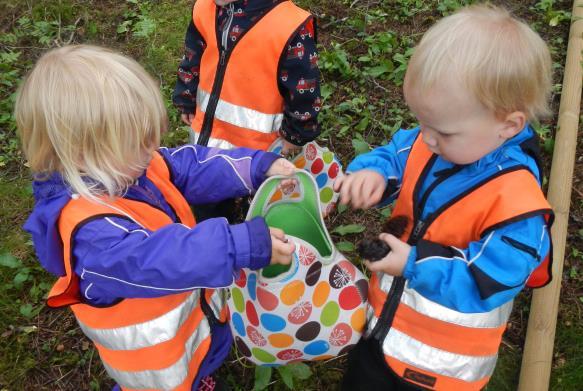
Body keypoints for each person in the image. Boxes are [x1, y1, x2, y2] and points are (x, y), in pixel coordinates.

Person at [15, 44, 297, 391]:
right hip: (157, 374)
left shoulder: (129, 170)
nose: (152, 149)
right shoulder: (91, 236)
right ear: (82, 153)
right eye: (137, 142)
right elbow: (156, 259)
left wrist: (253, 167)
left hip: (189, 340)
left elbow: (189, 166)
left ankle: (204, 372)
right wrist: (237, 245)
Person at [335, 5, 554, 390]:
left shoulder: (518, 207)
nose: (427, 138)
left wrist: (414, 265)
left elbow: (486, 279)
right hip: (384, 328)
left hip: (441, 369)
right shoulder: (436, 139)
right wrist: (373, 172)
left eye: (443, 132)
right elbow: (396, 155)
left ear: (508, 124)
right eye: (422, 122)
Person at [172, 0, 322, 155]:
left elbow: (303, 87)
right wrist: (186, 96)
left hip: (257, 154)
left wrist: (296, 133)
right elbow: (193, 56)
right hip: (204, 142)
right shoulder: (204, 8)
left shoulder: (289, 25)